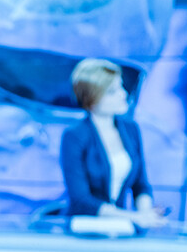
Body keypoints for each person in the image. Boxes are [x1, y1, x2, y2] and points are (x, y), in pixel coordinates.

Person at [59, 58, 167, 228]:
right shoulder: (74, 136)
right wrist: (133, 217)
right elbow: (81, 199)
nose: (123, 94)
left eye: (121, 86)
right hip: (84, 230)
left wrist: (145, 213)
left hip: (120, 229)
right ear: (91, 98)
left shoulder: (131, 130)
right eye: (112, 91)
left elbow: (141, 184)